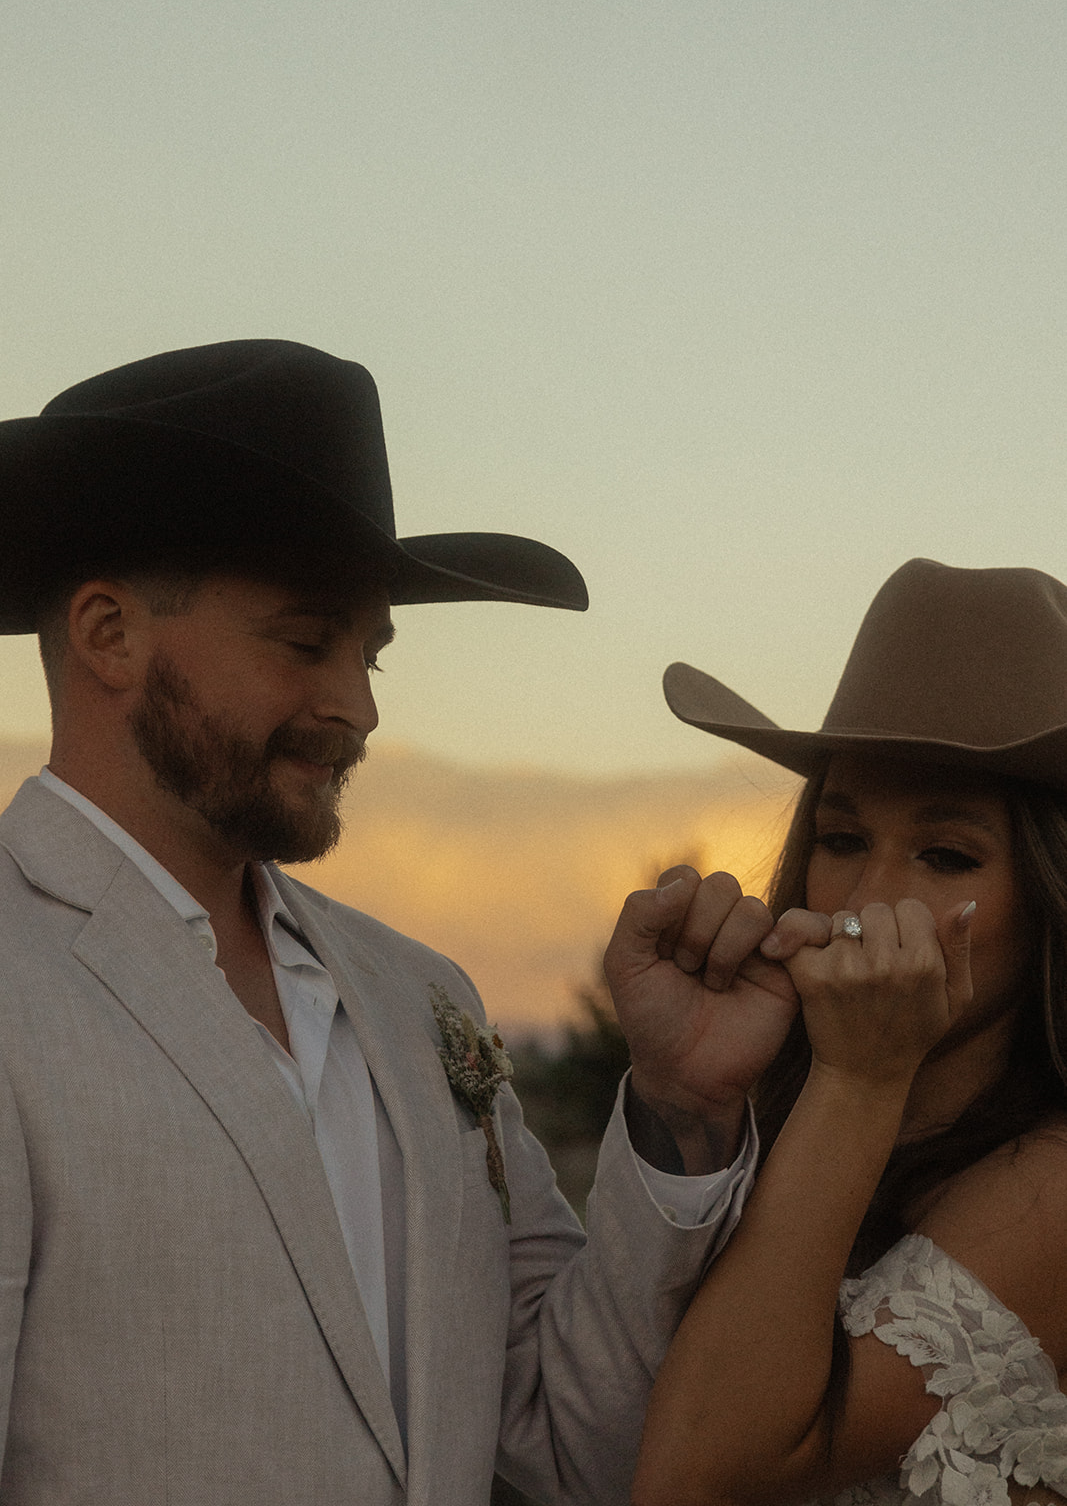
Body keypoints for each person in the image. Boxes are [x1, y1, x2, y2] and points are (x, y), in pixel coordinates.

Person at [0, 338, 786, 1506]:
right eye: (306, 640)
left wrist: (678, 1112)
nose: (358, 706)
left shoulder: (422, 999)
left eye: (369, 653)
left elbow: (568, 1445)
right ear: (110, 634)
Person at [606, 559, 1067, 1506]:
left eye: (944, 855)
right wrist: (686, 1100)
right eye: (842, 839)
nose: (863, 904)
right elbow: (573, 1424)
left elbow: (694, 1478)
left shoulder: (1051, 1188)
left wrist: (860, 1078)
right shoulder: (796, 1127)